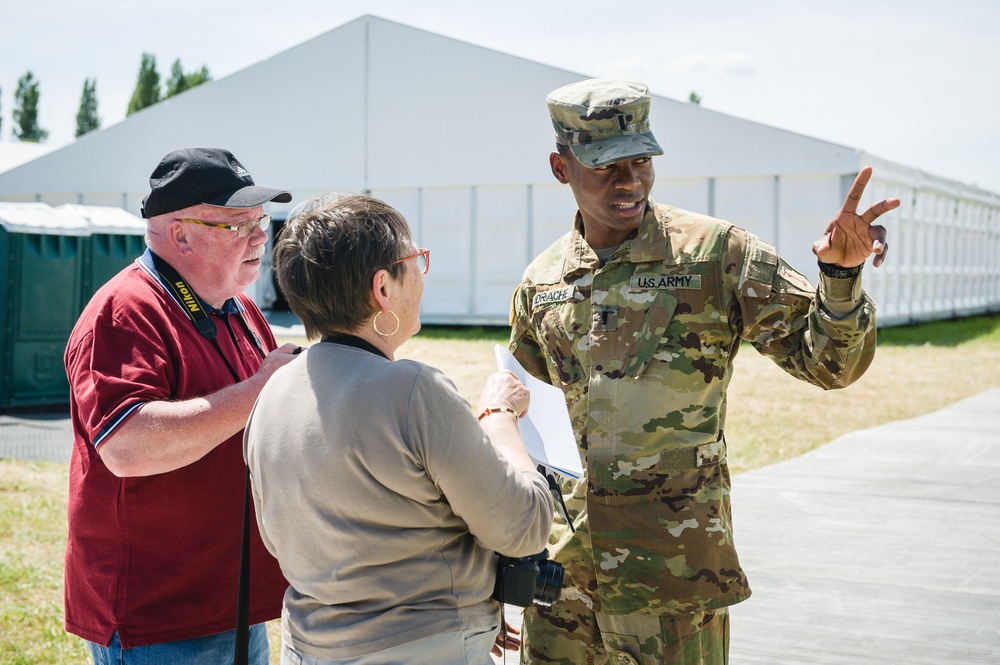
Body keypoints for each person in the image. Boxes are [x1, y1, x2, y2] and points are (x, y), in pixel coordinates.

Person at [508, 79, 899, 664]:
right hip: (563, 588)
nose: (630, 181)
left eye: (641, 161)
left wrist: (839, 283)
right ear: (561, 168)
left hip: (675, 584)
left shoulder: (717, 255)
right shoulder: (541, 283)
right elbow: (524, 434)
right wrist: (506, 572)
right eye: (606, 165)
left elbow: (830, 365)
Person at [243, 194, 555, 665]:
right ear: (383, 288)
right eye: (417, 261)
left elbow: (280, 539)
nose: (423, 276)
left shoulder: (271, 392)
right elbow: (523, 527)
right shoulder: (413, 390)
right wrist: (499, 416)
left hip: (310, 648)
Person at [63, 147, 301, 664]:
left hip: (228, 603)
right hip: (160, 619)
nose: (260, 236)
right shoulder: (125, 311)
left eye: (259, 221)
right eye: (237, 225)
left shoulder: (237, 307)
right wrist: (258, 391)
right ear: (180, 234)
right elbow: (127, 446)